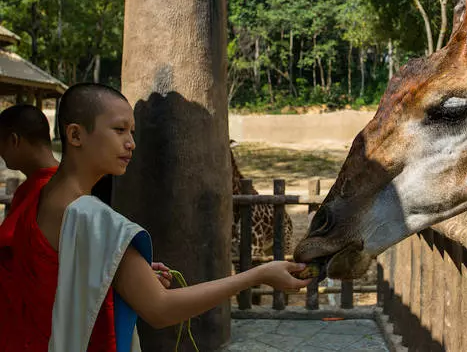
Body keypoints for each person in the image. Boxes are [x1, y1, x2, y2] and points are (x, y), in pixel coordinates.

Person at [2, 84, 311, 351]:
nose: (131, 143)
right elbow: (161, 310)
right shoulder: (94, 219)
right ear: (75, 135)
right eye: (119, 130)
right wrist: (258, 275)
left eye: (132, 132)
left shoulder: (39, 195)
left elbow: (57, 268)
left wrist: (115, 269)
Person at [0, 104, 173, 288]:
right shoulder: (35, 189)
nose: (131, 144)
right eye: (119, 130)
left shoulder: (62, 193)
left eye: (128, 131)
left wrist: (126, 270)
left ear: (14, 141)